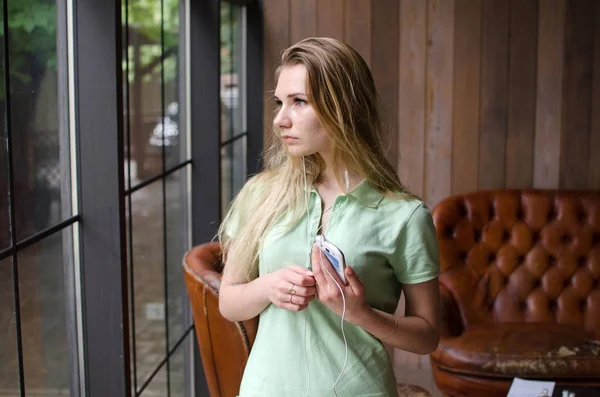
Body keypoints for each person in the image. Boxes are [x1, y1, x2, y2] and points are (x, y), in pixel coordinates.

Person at [218, 37, 441, 397]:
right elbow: (228, 302)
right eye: (279, 103)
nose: (279, 120)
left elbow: (427, 337)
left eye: (299, 102)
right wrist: (267, 287)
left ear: (343, 107)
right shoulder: (261, 194)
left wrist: (360, 313)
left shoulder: (405, 216)